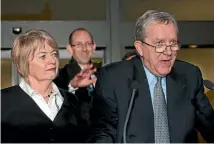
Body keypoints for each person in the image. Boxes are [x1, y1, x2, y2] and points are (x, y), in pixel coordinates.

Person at [89, 10, 214, 143]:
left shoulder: (189, 75)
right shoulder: (114, 78)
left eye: (172, 43)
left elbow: (209, 124)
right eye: (159, 44)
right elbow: (103, 132)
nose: (168, 51)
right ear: (140, 47)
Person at [1, 29, 94, 143]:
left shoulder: (72, 100)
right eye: (43, 56)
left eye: (54, 54)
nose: (52, 60)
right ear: (23, 64)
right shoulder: (3, 101)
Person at [54, 28, 98, 130]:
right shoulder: (59, 77)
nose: (84, 49)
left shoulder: (105, 75)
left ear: (94, 47)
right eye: (78, 44)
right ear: (70, 49)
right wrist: (72, 87)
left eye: (88, 43)